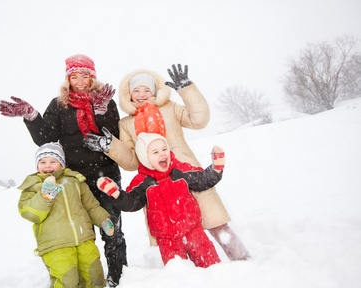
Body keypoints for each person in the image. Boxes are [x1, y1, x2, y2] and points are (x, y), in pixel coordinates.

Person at [83, 64, 250, 261]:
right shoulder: (126, 124)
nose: (142, 94)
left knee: (216, 223)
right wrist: (110, 146)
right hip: (158, 184)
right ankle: (193, 279)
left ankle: (242, 261)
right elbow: (131, 162)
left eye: (147, 89)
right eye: (136, 90)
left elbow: (199, 120)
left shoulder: (169, 108)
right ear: (129, 94)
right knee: (175, 234)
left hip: (189, 174)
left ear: (154, 91)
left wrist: (186, 89)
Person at [0, 54, 127, 287]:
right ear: (68, 78)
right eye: (74, 76)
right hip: (75, 180)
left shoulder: (105, 101)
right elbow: (45, 137)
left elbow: (113, 135)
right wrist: (31, 115)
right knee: (84, 234)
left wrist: (100, 110)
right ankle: (89, 279)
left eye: (85, 75)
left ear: (93, 77)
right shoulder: (59, 105)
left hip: (105, 175)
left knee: (112, 227)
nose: (79, 80)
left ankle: (119, 277)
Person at [96, 133, 223, 267]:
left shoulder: (179, 170)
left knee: (210, 264)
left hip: (193, 230)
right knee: (179, 272)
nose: (162, 154)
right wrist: (116, 194)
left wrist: (216, 170)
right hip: (167, 239)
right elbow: (131, 202)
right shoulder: (143, 181)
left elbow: (201, 179)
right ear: (145, 158)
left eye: (164, 149)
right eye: (155, 152)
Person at [18, 142, 115, 288]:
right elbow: (30, 213)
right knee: (67, 280)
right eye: (42, 162)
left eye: (53, 161)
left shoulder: (74, 181)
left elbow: (90, 205)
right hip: (55, 244)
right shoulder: (33, 186)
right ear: (37, 167)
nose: (47, 166)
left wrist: (103, 220)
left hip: (83, 238)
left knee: (94, 274)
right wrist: (44, 197)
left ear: (62, 165)